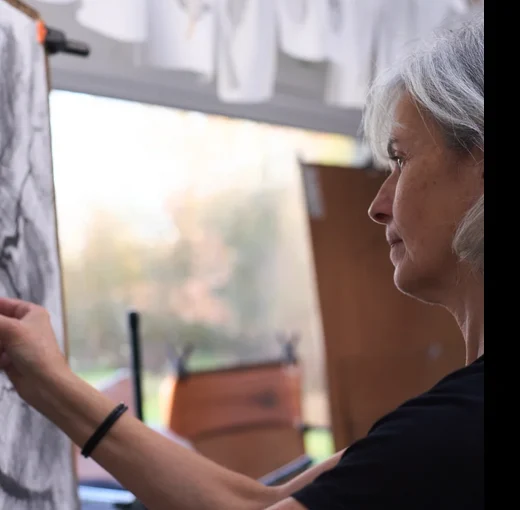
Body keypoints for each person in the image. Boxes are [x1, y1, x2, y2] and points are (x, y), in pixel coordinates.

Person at [0, 11, 484, 510]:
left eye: (400, 160)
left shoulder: (460, 427)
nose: (377, 203)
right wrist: (52, 383)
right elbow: (255, 501)